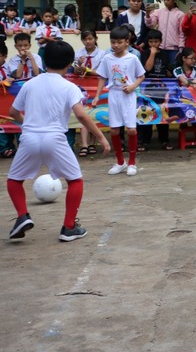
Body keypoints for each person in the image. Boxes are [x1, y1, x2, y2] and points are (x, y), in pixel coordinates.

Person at [6, 40, 111, 242]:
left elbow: (12, 112)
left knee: (14, 180)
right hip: (54, 138)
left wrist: (27, 124)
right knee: (75, 180)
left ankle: (22, 215)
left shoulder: (30, 84)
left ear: (44, 61)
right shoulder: (68, 86)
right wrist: (100, 137)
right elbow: (81, 115)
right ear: (69, 63)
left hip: (29, 137)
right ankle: (69, 227)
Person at [92, 26, 146, 176]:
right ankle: (120, 162)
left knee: (131, 129)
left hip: (128, 96)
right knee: (114, 130)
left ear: (127, 42)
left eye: (119, 42)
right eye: (113, 42)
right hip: (114, 95)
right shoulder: (107, 58)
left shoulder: (133, 58)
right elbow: (102, 77)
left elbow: (141, 76)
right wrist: (97, 96)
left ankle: (132, 163)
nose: (115, 45)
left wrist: (133, 86)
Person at [137, 29, 174, 151]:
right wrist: (152, 54)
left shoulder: (164, 54)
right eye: (151, 42)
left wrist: (168, 72)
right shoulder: (145, 53)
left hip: (161, 89)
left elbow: (169, 70)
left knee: (162, 112)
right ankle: (144, 141)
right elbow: (147, 68)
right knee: (146, 112)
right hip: (147, 88)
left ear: (161, 42)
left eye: (156, 42)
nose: (153, 44)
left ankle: (164, 140)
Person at [73, 30, 107, 157]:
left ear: (95, 39)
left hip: (96, 86)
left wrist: (87, 69)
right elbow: (75, 71)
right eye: (85, 39)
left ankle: (92, 143)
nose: (88, 41)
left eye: (90, 39)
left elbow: (102, 72)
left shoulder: (103, 54)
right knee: (83, 113)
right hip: (82, 87)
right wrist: (79, 66)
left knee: (93, 113)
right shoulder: (78, 53)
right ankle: (84, 144)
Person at [144, 0, 185, 66]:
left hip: (174, 49)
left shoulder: (180, 14)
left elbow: (182, 33)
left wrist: (181, 48)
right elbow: (150, 25)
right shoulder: (159, 12)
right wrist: (147, 15)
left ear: (174, 0)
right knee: (160, 69)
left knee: (172, 70)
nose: (166, 2)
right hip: (160, 48)